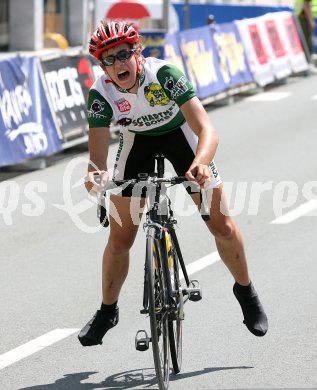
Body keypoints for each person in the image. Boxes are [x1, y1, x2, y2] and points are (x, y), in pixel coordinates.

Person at [78, 21, 268, 347]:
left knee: (220, 226)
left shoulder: (165, 75)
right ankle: (107, 310)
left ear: (137, 53)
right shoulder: (100, 94)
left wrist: (201, 163)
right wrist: (95, 178)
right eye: (109, 59)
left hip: (183, 136)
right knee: (121, 240)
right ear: (101, 66)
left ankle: (246, 291)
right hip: (137, 142)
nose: (118, 63)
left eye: (124, 54)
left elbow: (207, 129)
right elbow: (97, 159)